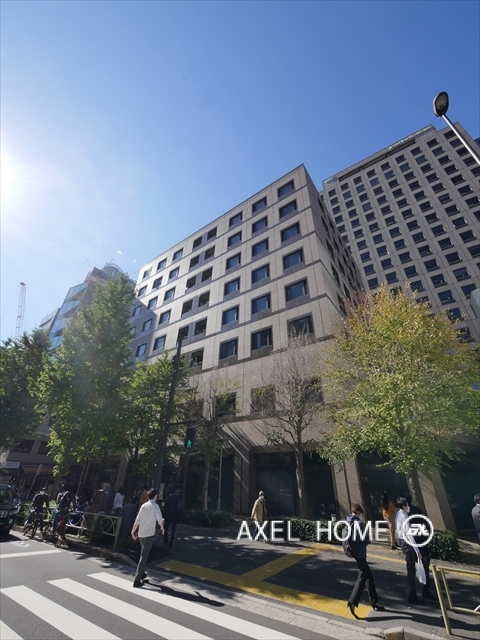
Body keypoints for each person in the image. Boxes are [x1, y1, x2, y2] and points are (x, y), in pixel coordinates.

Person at [346, 503, 385, 618]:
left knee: (369, 576)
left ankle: (374, 601)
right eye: (361, 514)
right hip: (360, 553)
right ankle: (352, 601)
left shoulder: (349, 521)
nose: (362, 516)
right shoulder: (358, 523)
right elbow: (366, 539)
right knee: (362, 577)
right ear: (358, 513)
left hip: (354, 552)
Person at [131, 488, 164, 588]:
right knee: (144, 555)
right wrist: (162, 528)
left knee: (143, 553)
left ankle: (142, 573)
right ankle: (137, 579)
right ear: (155, 496)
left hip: (141, 533)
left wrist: (133, 531)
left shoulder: (143, 506)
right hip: (149, 534)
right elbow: (160, 519)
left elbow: (137, 520)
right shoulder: (155, 506)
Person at [404, 493, 435, 600]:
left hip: (410, 542)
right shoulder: (416, 510)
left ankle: (413, 592)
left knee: (412, 567)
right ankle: (425, 587)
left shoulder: (402, 514)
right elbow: (425, 523)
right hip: (421, 540)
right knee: (424, 562)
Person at [396, 496, 424, 604]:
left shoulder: (399, 514)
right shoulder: (404, 516)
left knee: (411, 568)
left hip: (402, 541)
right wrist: (417, 551)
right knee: (411, 570)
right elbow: (409, 534)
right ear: (404, 506)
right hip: (407, 543)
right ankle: (412, 596)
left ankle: (413, 595)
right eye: (407, 505)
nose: (408, 507)